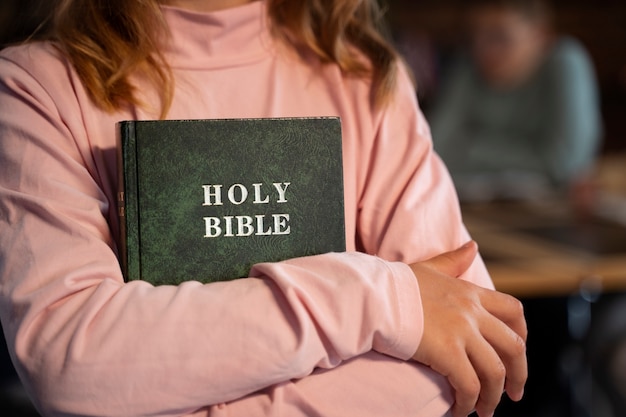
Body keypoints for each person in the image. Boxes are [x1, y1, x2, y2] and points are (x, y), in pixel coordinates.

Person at [0, 1, 527, 416]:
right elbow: (70, 356)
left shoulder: (367, 81)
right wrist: (378, 300)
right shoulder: (36, 88)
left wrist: (161, 399)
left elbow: (464, 345)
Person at [429, 0, 602, 203]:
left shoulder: (565, 61)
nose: (483, 50)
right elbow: (433, 150)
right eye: (473, 37)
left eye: (499, 37)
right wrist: (529, 157)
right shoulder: (468, 66)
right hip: (484, 210)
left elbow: (564, 164)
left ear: (539, 35)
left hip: (552, 214)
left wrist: (470, 147)